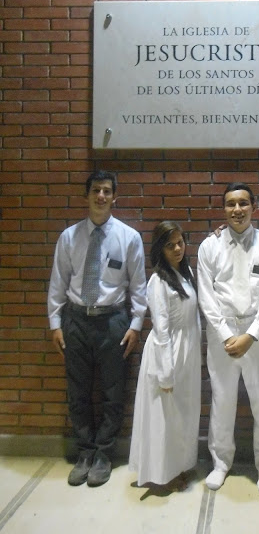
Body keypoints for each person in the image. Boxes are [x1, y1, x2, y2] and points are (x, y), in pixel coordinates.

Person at [48, 169, 147, 487]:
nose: (101, 196)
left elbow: (139, 287)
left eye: (107, 191)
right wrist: (55, 324)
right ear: (87, 195)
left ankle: (104, 454)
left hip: (113, 321)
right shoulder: (69, 237)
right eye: (96, 191)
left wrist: (136, 325)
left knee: (112, 392)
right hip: (76, 321)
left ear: (115, 196)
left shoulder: (129, 237)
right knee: (78, 392)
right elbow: (58, 283)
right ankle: (85, 453)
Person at [197, 182, 259, 495]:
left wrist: (251, 335)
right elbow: (205, 295)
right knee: (222, 400)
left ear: (254, 207)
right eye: (231, 204)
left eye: (243, 203)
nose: (237, 210)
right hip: (222, 332)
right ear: (223, 209)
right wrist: (225, 334)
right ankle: (220, 463)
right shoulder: (210, 247)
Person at [129, 221, 201, 490]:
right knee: (166, 416)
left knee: (183, 413)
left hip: (187, 351)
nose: (177, 249)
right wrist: (166, 373)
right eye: (170, 245)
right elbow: (161, 329)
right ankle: (164, 473)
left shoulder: (186, 272)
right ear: (160, 249)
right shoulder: (158, 281)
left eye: (180, 242)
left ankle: (180, 465)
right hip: (167, 352)